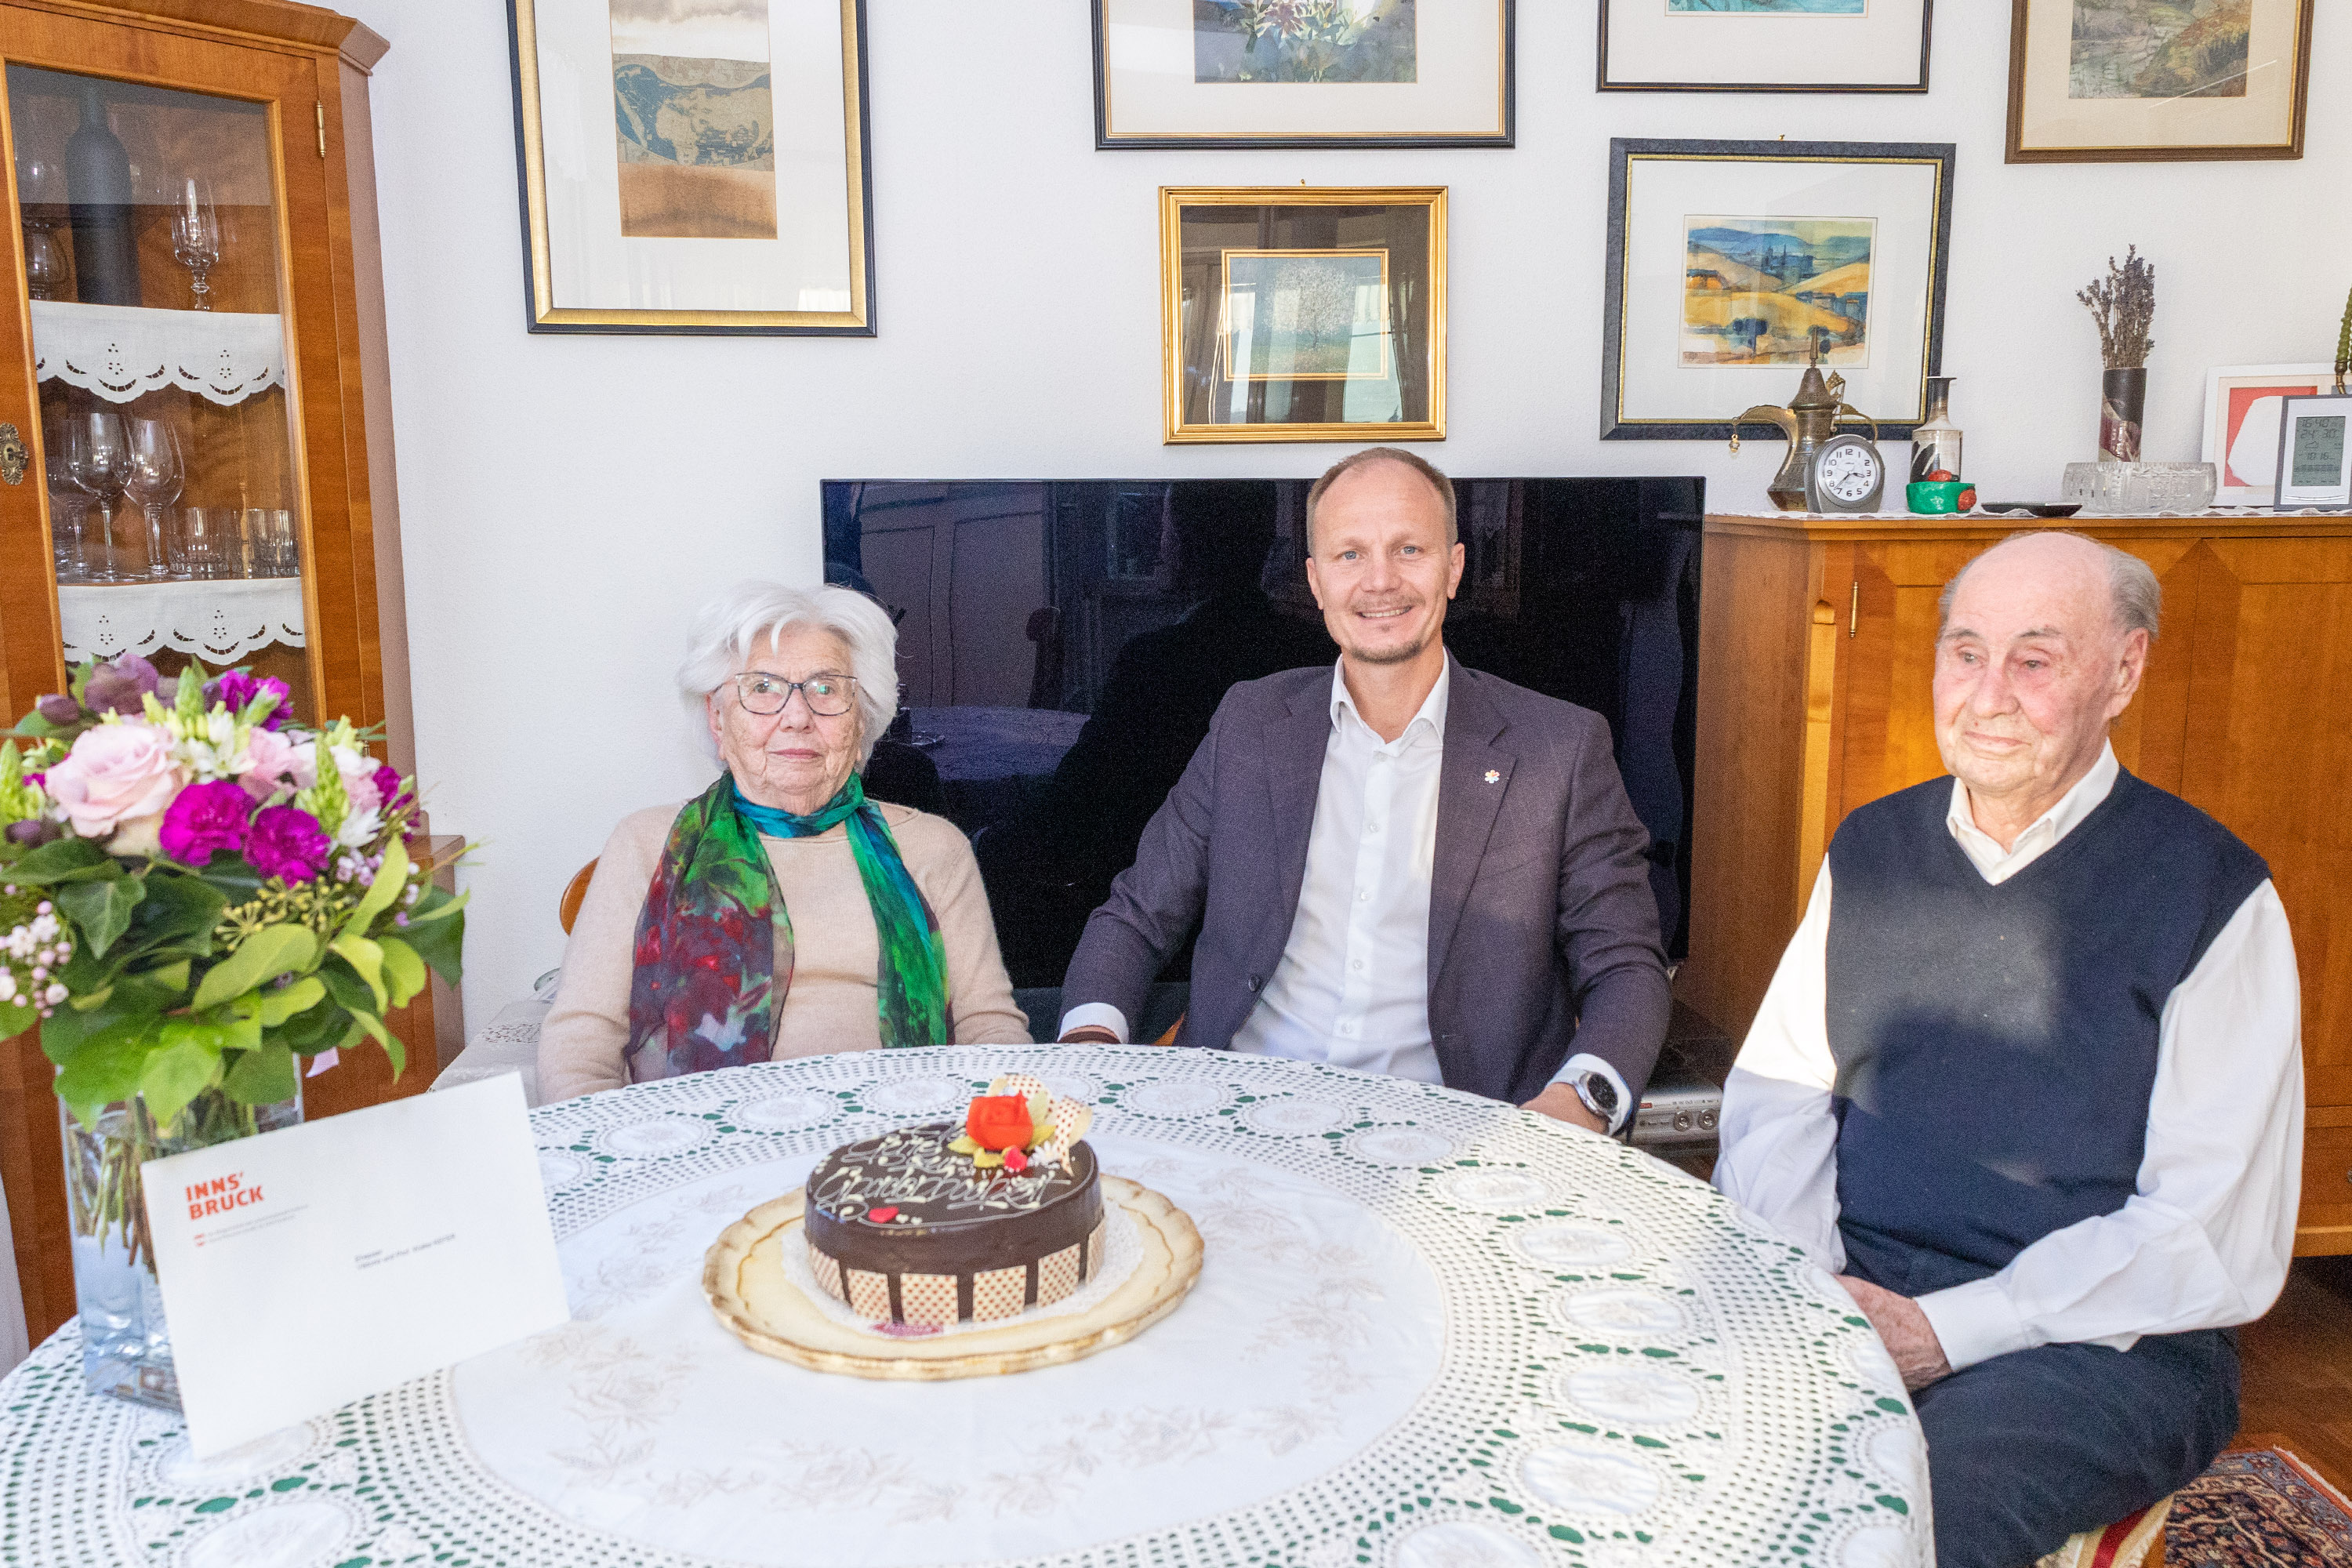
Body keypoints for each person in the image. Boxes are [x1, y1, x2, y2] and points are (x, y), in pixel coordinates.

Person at [1713, 532, 2303, 1568]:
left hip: (2101, 1339)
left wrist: (1947, 1332)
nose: (1987, 695)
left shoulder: (2211, 894)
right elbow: (1780, 1098)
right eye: (1966, 652)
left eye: (2034, 661)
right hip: (1858, 1280)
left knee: (1899, 1515)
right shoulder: (1873, 847)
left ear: (2124, 672)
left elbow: (2202, 1235)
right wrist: (1819, 1297)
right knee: (1655, 1433)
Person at [1056, 448, 1671, 1132]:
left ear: (1454, 568)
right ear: (1316, 582)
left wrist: (1579, 1101)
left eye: (1408, 548)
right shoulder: (1249, 723)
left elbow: (1625, 968)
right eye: (1350, 555)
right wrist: (1090, 1048)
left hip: (1452, 1140)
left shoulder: (1560, 748)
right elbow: (1137, 916)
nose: (1380, 581)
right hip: (1240, 1122)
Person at [538, 583, 1029, 1102]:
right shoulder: (646, 844)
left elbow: (989, 1027)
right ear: (718, 718)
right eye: (763, 688)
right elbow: (582, 1040)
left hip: (896, 1140)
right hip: (701, 1149)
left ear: (862, 720)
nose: (797, 717)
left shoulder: (935, 849)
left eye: (825, 690)